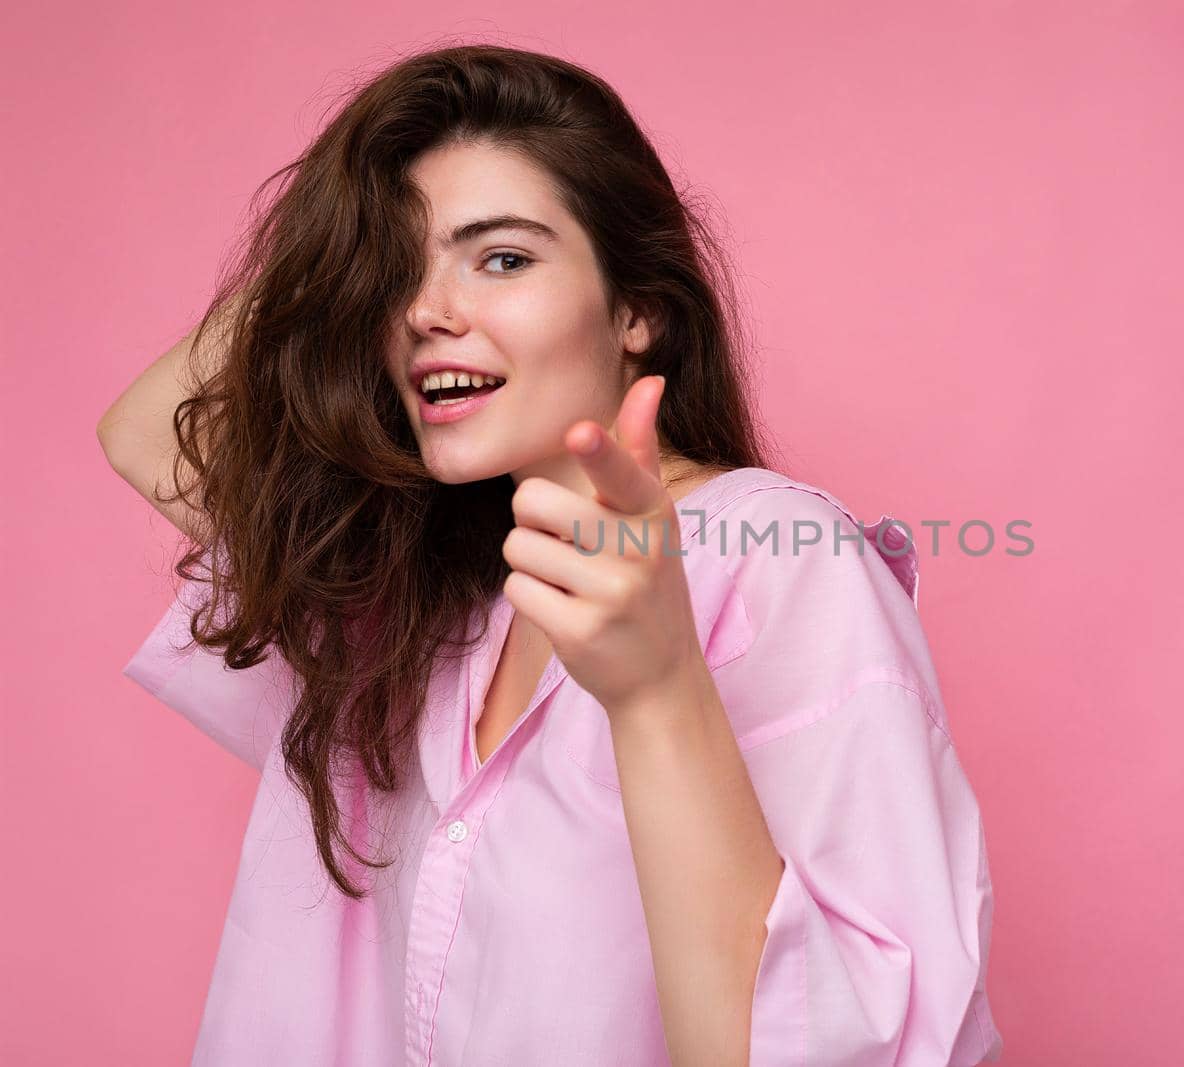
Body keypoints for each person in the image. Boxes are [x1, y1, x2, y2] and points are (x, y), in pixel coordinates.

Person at [98, 44, 1003, 1067]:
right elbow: (145, 434)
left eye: (504, 259)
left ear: (636, 311)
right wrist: (334, 236)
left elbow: (817, 1044)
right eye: (397, 268)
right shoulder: (436, 595)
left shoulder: (773, 558)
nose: (425, 311)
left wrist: (658, 686)